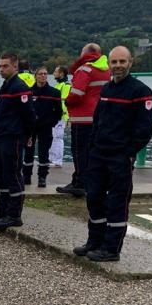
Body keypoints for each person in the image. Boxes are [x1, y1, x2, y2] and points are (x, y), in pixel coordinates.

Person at [74, 46, 152, 262]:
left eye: (122, 62)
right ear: (109, 64)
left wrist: (128, 153)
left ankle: (111, 249)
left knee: (117, 202)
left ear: (130, 63)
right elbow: (98, 120)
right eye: (114, 62)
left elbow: (145, 128)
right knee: (94, 198)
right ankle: (95, 241)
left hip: (120, 157)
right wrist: (92, 147)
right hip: (99, 154)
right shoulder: (107, 89)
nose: (118, 66)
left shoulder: (140, 91)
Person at [0, 53, 35, 229]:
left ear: (15, 66)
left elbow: (29, 115)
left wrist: (28, 136)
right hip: (1, 137)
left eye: (5, 66)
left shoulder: (19, 87)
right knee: (1, 173)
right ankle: (2, 209)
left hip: (13, 137)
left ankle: (14, 214)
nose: (1, 69)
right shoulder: (5, 86)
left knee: (13, 174)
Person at [58, 43, 110, 196]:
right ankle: (87, 181)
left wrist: (67, 102)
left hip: (82, 119)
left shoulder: (85, 69)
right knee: (91, 153)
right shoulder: (105, 70)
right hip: (98, 118)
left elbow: (76, 93)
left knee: (79, 152)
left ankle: (80, 183)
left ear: (86, 53)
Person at [23, 67, 63, 188]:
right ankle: (26, 177)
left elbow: (59, 112)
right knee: (28, 153)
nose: (43, 76)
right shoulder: (29, 92)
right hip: (30, 128)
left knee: (43, 153)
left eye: (45, 74)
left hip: (46, 127)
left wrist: (52, 122)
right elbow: (24, 110)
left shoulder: (54, 92)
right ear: (35, 76)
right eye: (40, 74)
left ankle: (42, 177)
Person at [49, 66, 71, 167]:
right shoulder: (59, 85)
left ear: (61, 73)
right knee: (53, 137)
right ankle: (52, 158)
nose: (53, 73)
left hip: (61, 116)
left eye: (55, 71)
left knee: (58, 138)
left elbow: (65, 102)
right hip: (54, 116)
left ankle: (57, 161)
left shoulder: (66, 85)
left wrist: (66, 118)